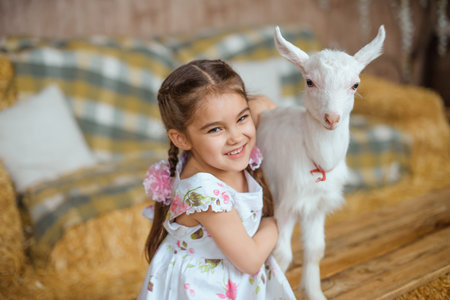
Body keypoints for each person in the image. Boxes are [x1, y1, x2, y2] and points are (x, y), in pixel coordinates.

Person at [138, 59, 295, 299]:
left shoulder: (221, 149)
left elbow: (262, 104)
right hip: (207, 288)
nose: (236, 137)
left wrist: (245, 112)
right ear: (181, 139)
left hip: (233, 280)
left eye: (242, 118)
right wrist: (279, 221)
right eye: (215, 130)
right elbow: (251, 260)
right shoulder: (205, 193)